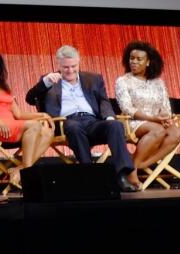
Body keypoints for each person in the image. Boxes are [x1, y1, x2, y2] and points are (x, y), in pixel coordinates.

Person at [26, 45, 139, 191]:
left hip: (92, 122)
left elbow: (103, 101)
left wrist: (109, 117)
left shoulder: (93, 78)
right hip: (65, 123)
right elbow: (29, 98)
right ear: (58, 64)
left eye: (74, 66)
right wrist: (45, 82)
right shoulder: (50, 80)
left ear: (79, 62)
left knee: (115, 125)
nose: (71, 70)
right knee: (74, 126)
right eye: (66, 67)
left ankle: (122, 175)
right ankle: (88, 172)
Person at [0, 47, 51, 187]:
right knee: (35, 125)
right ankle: (28, 174)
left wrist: (42, 114)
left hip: (11, 127)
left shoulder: (4, 87)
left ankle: (20, 170)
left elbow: (18, 114)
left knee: (48, 132)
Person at [114, 41, 180, 184]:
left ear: (148, 62)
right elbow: (127, 108)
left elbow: (165, 107)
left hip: (156, 121)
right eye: (132, 58)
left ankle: (136, 165)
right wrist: (153, 119)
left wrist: (165, 118)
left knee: (177, 133)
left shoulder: (158, 82)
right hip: (131, 121)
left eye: (139, 59)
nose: (134, 62)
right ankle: (133, 171)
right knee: (157, 130)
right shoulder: (123, 81)